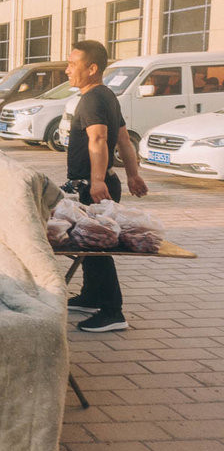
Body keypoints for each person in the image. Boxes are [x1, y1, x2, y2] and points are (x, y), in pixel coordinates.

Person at [63, 40, 148, 333]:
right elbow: (123, 139)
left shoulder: (93, 99)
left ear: (92, 68)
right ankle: (92, 295)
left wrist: (97, 181)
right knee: (90, 242)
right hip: (102, 182)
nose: (67, 70)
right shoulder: (107, 96)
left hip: (96, 185)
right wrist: (133, 176)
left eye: (72, 64)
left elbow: (98, 139)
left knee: (98, 247)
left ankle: (112, 312)